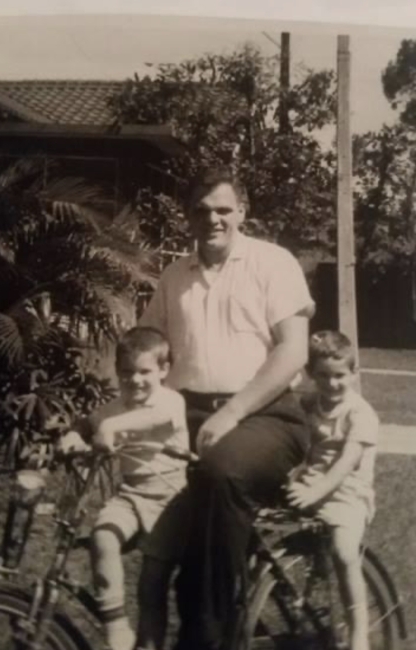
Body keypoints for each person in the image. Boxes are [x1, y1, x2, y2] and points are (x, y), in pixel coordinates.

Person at [139, 166, 315, 650]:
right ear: (187, 217)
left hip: (268, 416)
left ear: (243, 212)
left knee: (219, 472)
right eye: (200, 210)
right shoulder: (174, 275)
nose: (212, 219)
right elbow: (148, 349)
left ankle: (205, 635)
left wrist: (232, 413)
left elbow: (292, 352)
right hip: (191, 416)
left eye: (222, 209)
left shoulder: (272, 263)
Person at [59, 326, 189, 650]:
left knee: (151, 585)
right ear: (117, 372)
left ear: (164, 370)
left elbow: (153, 419)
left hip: (172, 499)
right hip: (131, 494)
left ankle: (148, 645)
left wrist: (111, 427)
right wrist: (75, 434)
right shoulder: (115, 407)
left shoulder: (171, 401)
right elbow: (88, 422)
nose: (136, 380)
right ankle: (115, 624)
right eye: (127, 372)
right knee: (102, 537)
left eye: (145, 372)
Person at [287, 331, 378, 650]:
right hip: (312, 483)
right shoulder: (310, 402)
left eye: (340, 376)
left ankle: (359, 628)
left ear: (354, 374)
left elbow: (346, 462)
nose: (332, 383)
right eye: (323, 375)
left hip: (348, 491)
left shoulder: (359, 413)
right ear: (311, 375)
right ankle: (286, 593)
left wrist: (316, 491)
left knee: (343, 549)